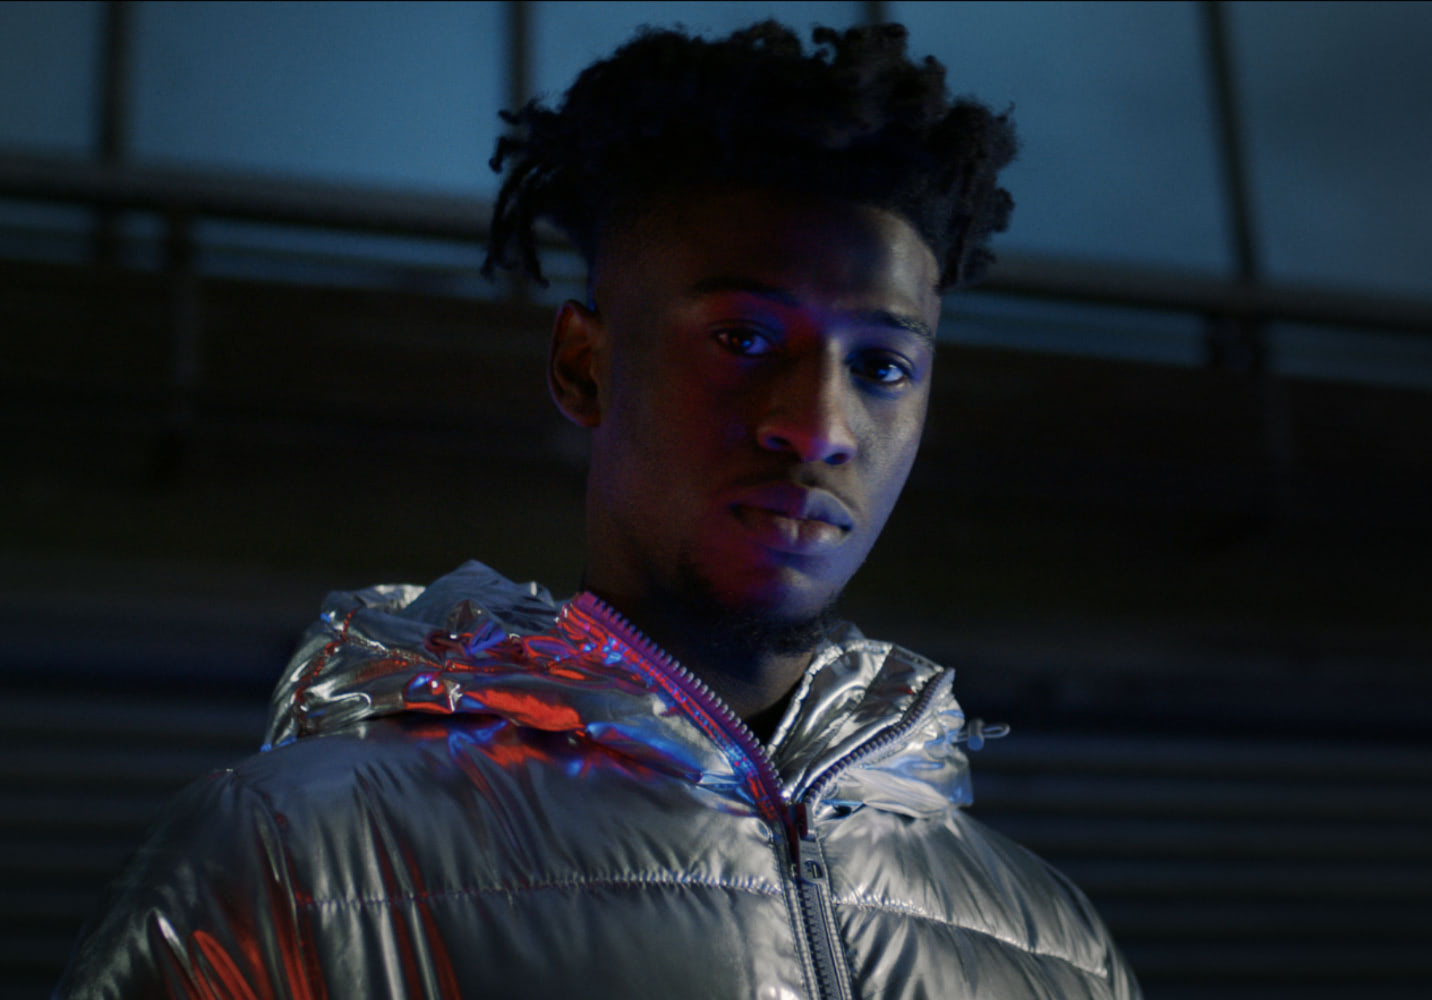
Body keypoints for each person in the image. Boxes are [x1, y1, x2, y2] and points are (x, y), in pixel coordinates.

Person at [56, 20, 1141, 1000]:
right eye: (742, 339)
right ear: (582, 365)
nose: (817, 426)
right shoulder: (290, 855)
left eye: (883, 366)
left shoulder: (1052, 941)